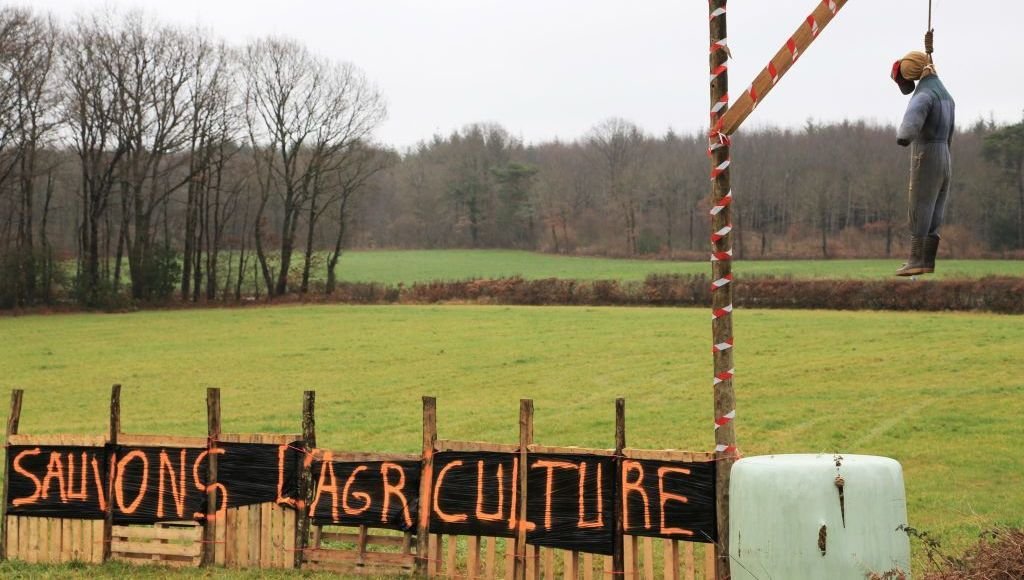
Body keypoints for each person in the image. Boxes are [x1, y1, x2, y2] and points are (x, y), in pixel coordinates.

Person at [890, 50, 955, 276]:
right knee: (936, 207)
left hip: (926, 155)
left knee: (920, 205)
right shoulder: (947, 96)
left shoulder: (924, 95)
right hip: (945, 156)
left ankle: (915, 259)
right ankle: (928, 261)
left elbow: (906, 133)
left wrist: (903, 135)